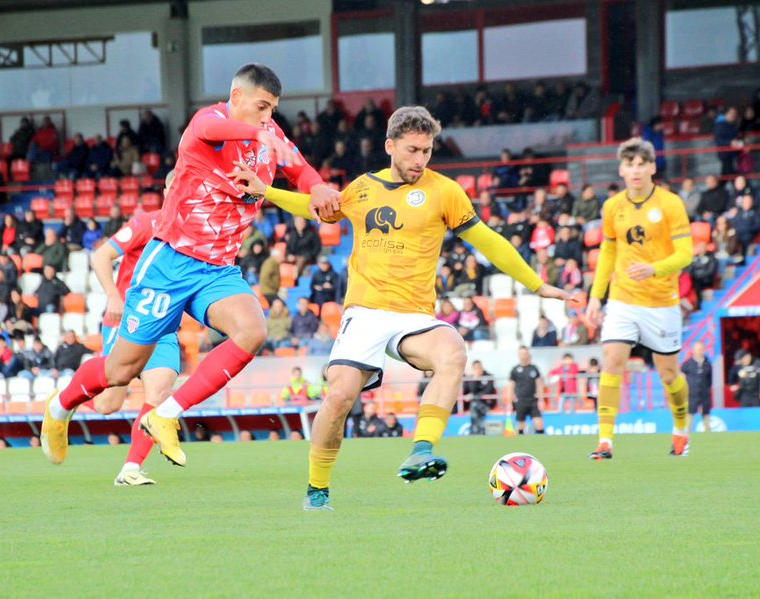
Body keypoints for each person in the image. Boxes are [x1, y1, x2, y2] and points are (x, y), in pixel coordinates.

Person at [233, 105, 574, 510]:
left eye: (427, 151)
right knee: (340, 396)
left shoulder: (445, 192)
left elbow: (489, 241)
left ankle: (422, 450)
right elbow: (314, 208)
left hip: (414, 317)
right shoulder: (362, 189)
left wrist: (536, 284)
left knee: (453, 351)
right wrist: (263, 190)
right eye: (412, 150)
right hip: (365, 313)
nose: (420, 160)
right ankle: (317, 490)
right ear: (390, 145)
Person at [41, 64, 339, 468]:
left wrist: (317, 185)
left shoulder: (271, 136)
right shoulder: (210, 122)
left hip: (217, 270)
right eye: (262, 107)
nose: (269, 117)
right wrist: (260, 133)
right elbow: (206, 130)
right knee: (118, 371)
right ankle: (59, 409)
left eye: (273, 110)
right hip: (170, 264)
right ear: (237, 98)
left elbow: (299, 168)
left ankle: (165, 415)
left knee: (253, 330)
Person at [585, 137, 693, 460]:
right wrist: (596, 296)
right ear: (621, 169)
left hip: (662, 302)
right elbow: (607, 251)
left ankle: (680, 429)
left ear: (652, 167)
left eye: (641, 164)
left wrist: (654, 268)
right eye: (629, 164)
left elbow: (687, 253)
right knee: (612, 361)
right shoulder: (611, 206)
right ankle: (605, 441)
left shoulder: (671, 204)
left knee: (669, 375)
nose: (635, 170)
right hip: (622, 299)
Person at [86, 202, 181, 485]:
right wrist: (113, 295)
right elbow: (101, 256)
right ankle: (69, 396)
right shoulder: (146, 223)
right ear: (170, 192)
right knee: (108, 404)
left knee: (160, 392)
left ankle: (130, 468)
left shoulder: (198, 234)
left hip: (164, 322)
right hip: (129, 319)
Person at [508, 346, 544, 435]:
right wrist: (509, 402)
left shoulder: (534, 368)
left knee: (538, 422)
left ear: (528, 354)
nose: (523, 356)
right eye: (521, 354)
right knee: (520, 424)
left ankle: (542, 444)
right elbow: (511, 386)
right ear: (518, 355)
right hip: (520, 400)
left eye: (525, 353)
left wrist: (541, 400)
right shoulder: (515, 370)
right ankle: (520, 445)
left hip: (533, 400)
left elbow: (539, 384)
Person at [680, 341, 713, 432]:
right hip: (691, 393)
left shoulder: (708, 364)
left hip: (704, 393)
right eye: (697, 349)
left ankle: (708, 432)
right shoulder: (687, 364)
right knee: (690, 412)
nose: (699, 351)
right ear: (693, 351)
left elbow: (710, 379)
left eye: (701, 349)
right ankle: (686, 433)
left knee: (706, 413)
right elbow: (682, 378)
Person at [463, 360, 496, 435]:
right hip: (475, 405)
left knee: (474, 405)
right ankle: (480, 430)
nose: (478, 369)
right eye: (475, 368)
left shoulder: (488, 376)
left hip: (487, 403)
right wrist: (475, 379)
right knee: (475, 406)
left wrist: (474, 396)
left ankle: (474, 431)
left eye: (479, 367)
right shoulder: (471, 378)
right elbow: (468, 390)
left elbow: (489, 390)